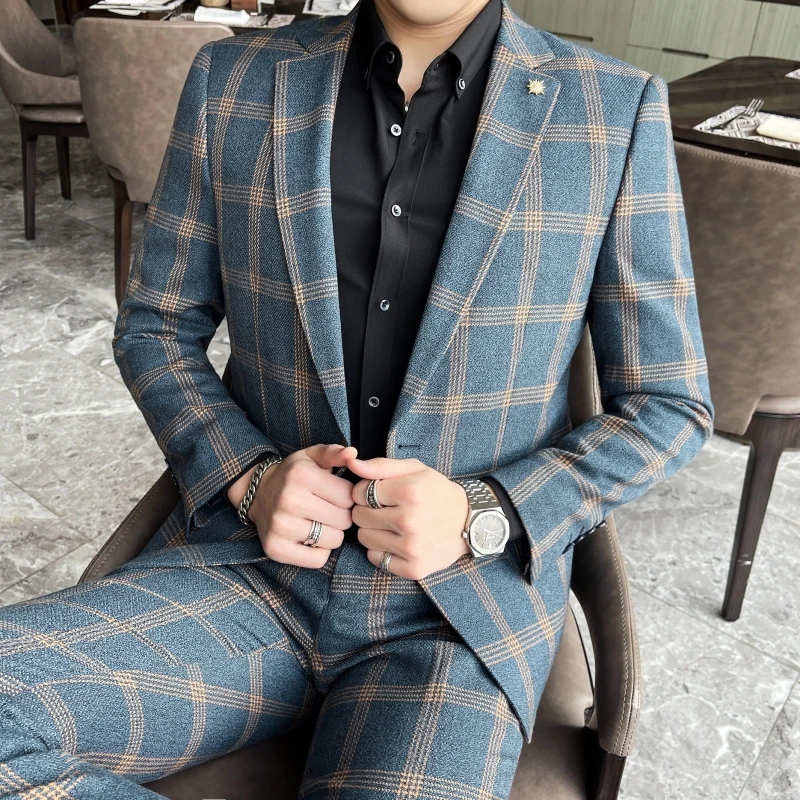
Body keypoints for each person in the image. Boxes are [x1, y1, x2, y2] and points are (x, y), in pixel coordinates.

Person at [0, 0, 714, 797]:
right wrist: (249, 476)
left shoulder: (612, 110)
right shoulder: (235, 81)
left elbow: (668, 403)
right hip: (249, 570)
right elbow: (156, 326)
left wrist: (485, 510)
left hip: (455, 614)